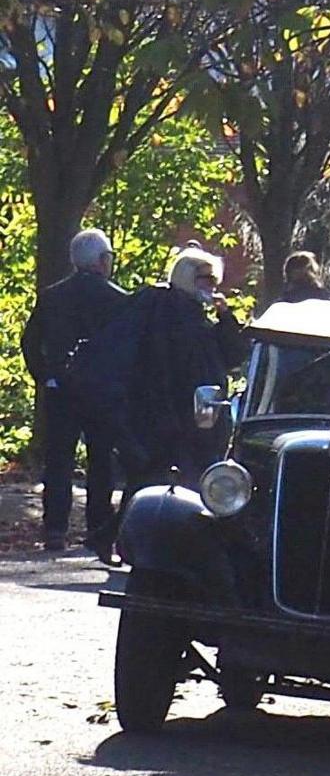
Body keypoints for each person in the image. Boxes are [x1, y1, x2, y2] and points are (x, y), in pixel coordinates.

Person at [104, 246, 250, 510]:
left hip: (198, 419)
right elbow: (168, 368)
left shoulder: (198, 318)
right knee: (156, 487)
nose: (212, 286)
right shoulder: (168, 315)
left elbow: (234, 355)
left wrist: (226, 318)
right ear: (187, 278)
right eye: (205, 279)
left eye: (214, 280)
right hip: (171, 422)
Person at [20, 229, 129, 554]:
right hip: (101, 391)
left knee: (58, 461)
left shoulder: (52, 296)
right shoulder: (118, 299)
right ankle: (99, 529)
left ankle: (55, 528)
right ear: (101, 260)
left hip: (61, 389)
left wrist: (45, 376)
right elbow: (127, 348)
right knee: (101, 462)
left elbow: (30, 342)